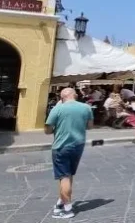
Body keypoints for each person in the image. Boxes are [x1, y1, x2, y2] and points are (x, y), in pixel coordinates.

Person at [45, 88, 93, 219]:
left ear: (62, 98)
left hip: (61, 146)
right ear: (75, 95)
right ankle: (61, 201)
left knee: (64, 176)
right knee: (69, 174)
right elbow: (89, 126)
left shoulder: (57, 109)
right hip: (78, 145)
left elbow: (47, 130)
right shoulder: (86, 108)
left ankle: (68, 209)